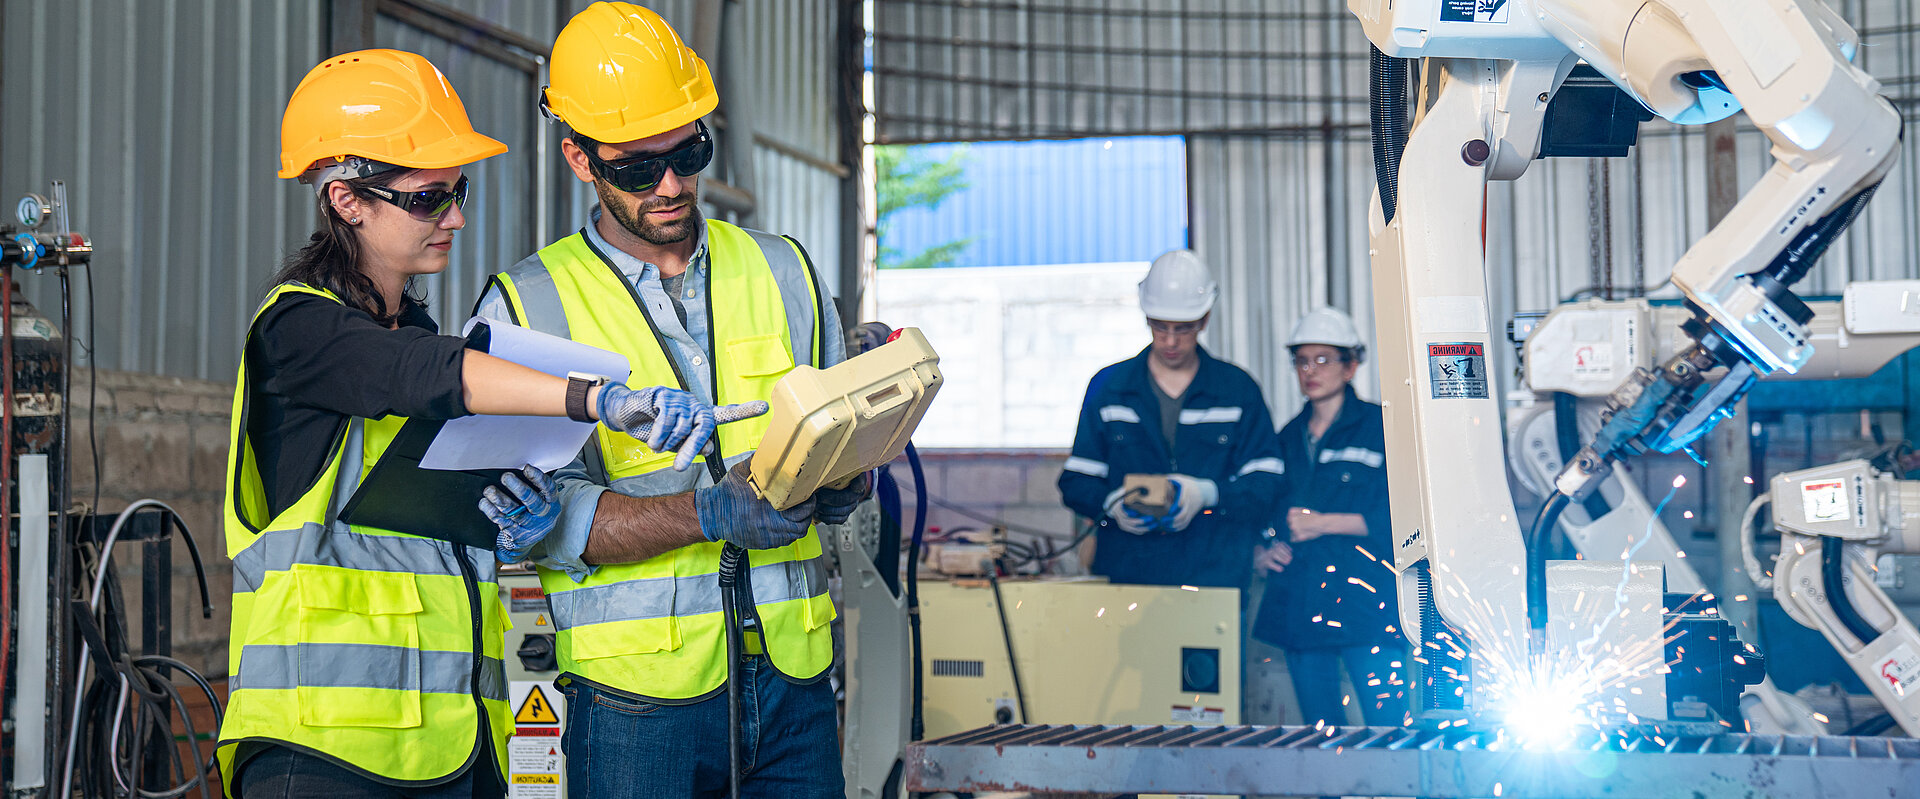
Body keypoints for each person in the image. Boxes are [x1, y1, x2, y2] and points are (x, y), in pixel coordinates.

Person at [217, 49, 757, 798]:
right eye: (428, 198)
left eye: (457, 191)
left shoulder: (413, 327)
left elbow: (420, 531)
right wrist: (597, 399)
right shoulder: (299, 333)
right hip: (323, 748)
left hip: (452, 743)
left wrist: (511, 530)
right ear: (346, 200)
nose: (457, 217)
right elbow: (428, 377)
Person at [468, 4, 862, 796]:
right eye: (638, 169)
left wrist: (850, 473)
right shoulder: (524, 306)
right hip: (631, 703)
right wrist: (707, 515)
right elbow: (536, 523)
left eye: (690, 151)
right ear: (581, 159)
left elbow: (842, 455)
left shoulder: (786, 270)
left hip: (794, 682)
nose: (674, 184)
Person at [1057, 249, 1284, 589]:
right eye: (1160, 327)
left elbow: (1267, 482)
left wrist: (1209, 494)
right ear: (1146, 317)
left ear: (1204, 319)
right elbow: (1076, 480)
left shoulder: (1237, 390)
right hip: (1129, 576)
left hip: (1214, 577)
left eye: (1184, 329)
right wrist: (1111, 505)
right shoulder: (1110, 388)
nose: (1171, 341)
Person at [1251, 307, 1408, 727]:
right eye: (1302, 360)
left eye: (1323, 359)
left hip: (1367, 604)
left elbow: (1402, 518)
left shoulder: (1382, 428)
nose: (1310, 370)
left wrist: (1320, 523)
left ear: (1351, 365)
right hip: (1303, 605)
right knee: (1321, 736)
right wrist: (1261, 552)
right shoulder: (1285, 438)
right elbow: (1260, 509)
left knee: (1389, 727)